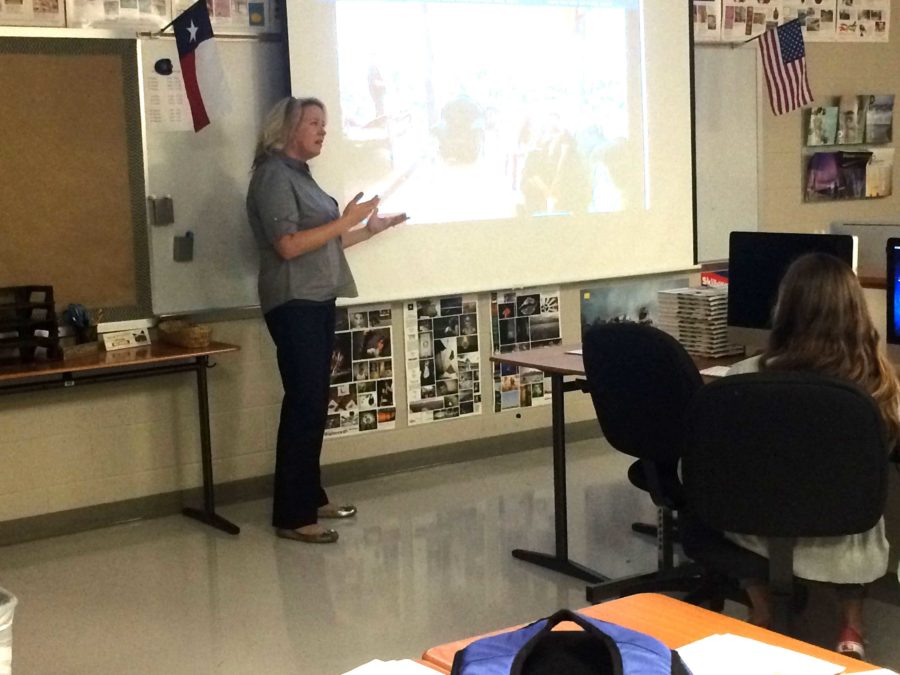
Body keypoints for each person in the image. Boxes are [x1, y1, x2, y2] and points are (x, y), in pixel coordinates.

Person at [247, 96, 407, 544]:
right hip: (293, 301)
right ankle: (293, 515)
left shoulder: (300, 175)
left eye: (325, 123)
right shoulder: (273, 175)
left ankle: (311, 497)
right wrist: (345, 220)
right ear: (287, 128)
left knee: (315, 403)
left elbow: (322, 245)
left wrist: (368, 230)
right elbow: (289, 246)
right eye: (313, 122)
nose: (322, 130)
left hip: (316, 298)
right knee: (304, 403)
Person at [723, 252, 900, 659]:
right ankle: (852, 624)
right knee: (863, 511)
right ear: (855, 312)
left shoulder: (741, 378)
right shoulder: (878, 384)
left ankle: (762, 608)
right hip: (845, 536)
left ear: (784, 311)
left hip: (754, 529)